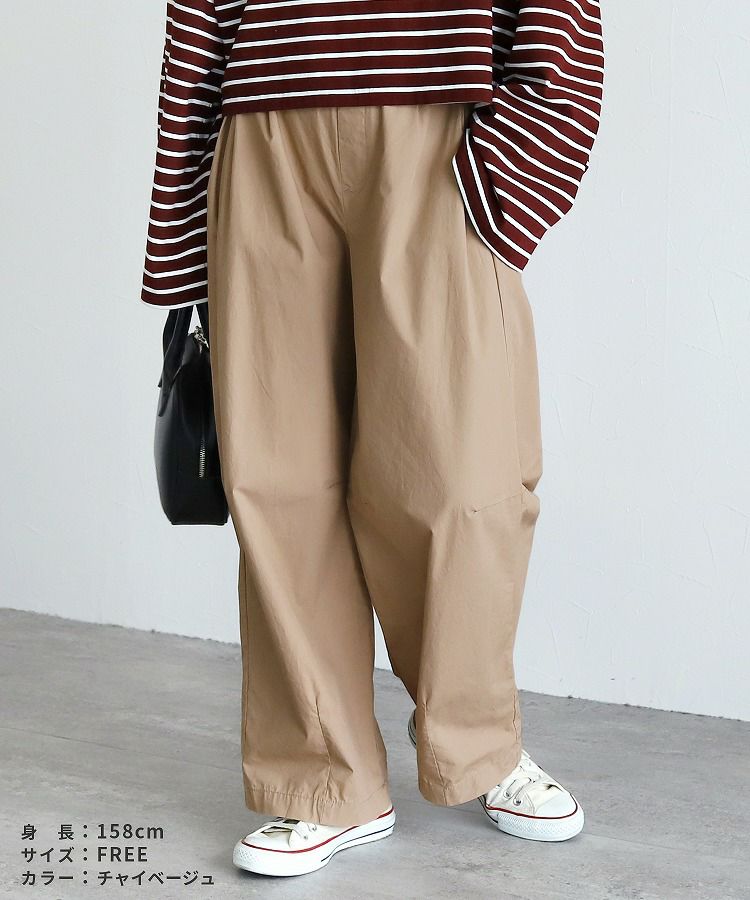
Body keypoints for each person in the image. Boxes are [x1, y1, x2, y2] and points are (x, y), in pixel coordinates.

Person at [141, 0, 604, 878]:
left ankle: (479, 742)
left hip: (439, 122)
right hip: (263, 118)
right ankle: (323, 779)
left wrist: (523, 146)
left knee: (459, 471)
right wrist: (180, 238)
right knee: (279, 479)